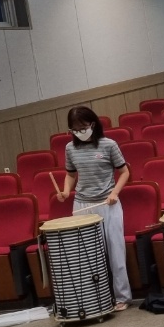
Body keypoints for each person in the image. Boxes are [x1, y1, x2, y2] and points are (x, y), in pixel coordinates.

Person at [57, 106, 132, 311]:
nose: (79, 132)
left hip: (108, 203)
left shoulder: (109, 145)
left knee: (115, 252)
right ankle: (94, 299)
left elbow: (124, 172)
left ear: (92, 124)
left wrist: (115, 192)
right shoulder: (70, 148)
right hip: (82, 204)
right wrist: (66, 191)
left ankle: (122, 297)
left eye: (82, 128)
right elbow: (71, 174)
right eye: (74, 129)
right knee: (86, 255)